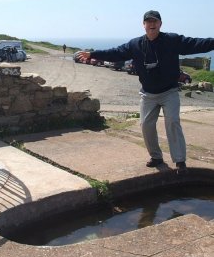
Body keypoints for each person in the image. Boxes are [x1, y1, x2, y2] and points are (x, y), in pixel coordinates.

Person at [76, 10, 214, 174]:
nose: (152, 24)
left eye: (155, 21)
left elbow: (196, 43)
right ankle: (156, 157)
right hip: (148, 94)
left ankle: (180, 161)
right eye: (148, 22)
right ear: (144, 25)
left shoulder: (172, 40)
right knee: (146, 125)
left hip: (169, 91)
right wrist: (93, 54)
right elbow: (116, 52)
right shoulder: (135, 45)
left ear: (160, 24)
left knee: (172, 122)